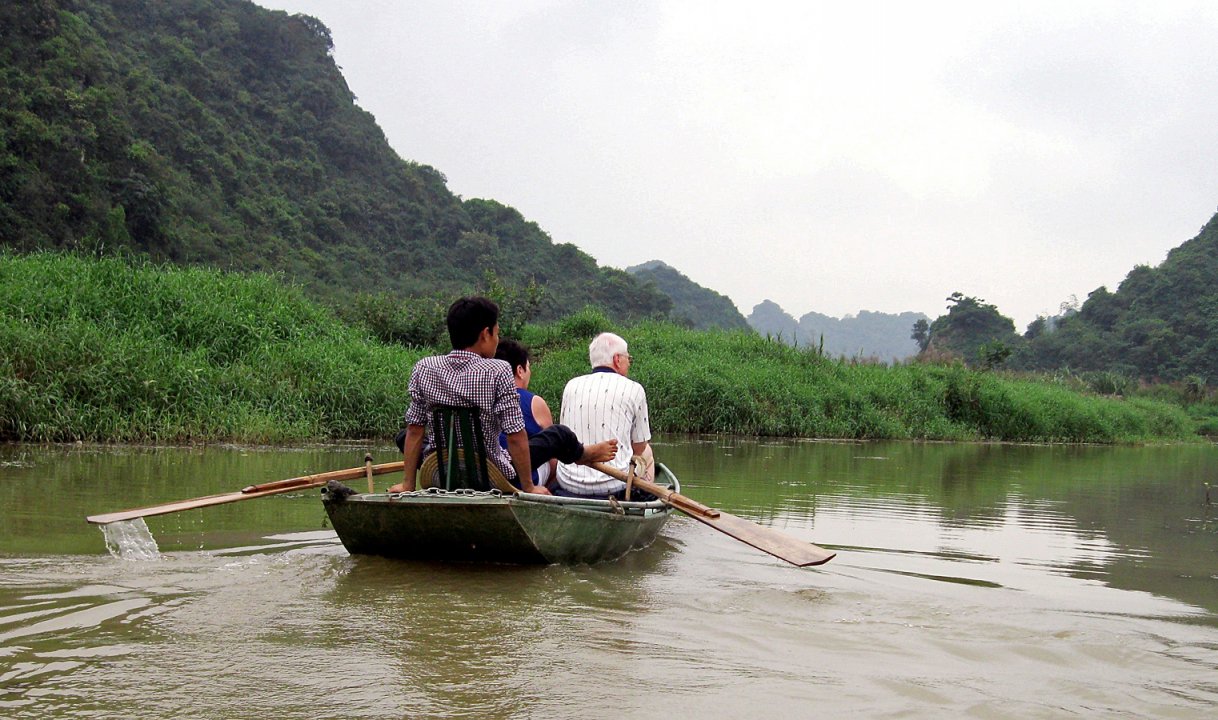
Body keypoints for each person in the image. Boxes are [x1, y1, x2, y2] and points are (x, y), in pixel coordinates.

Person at [389, 297, 616, 494]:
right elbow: (516, 435)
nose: (497, 340)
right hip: (489, 475)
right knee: (558, 434)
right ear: (485, 334)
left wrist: (408, 484)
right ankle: (582, 454)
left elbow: (415, 430)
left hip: (442, 469)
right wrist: (528, 486)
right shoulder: (498, 371)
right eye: (496, 332)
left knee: (404, 435)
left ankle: (412, 481)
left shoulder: (424, 367)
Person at [555, 332, 655, 499]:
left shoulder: (571, 385)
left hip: (568, 482)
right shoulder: (634, 388)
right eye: (627, 358)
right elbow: (639, 447)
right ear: (617, 360)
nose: (628, 363)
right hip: (614, 484)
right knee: (647, 451)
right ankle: (641, 501)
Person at [494, 338, 558, 489]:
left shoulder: (483, 396)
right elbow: (553, 457)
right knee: (555, 449)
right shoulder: (534, 402)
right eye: (528, 367)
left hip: (488, 473)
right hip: (520, 480)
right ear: (520, 371)